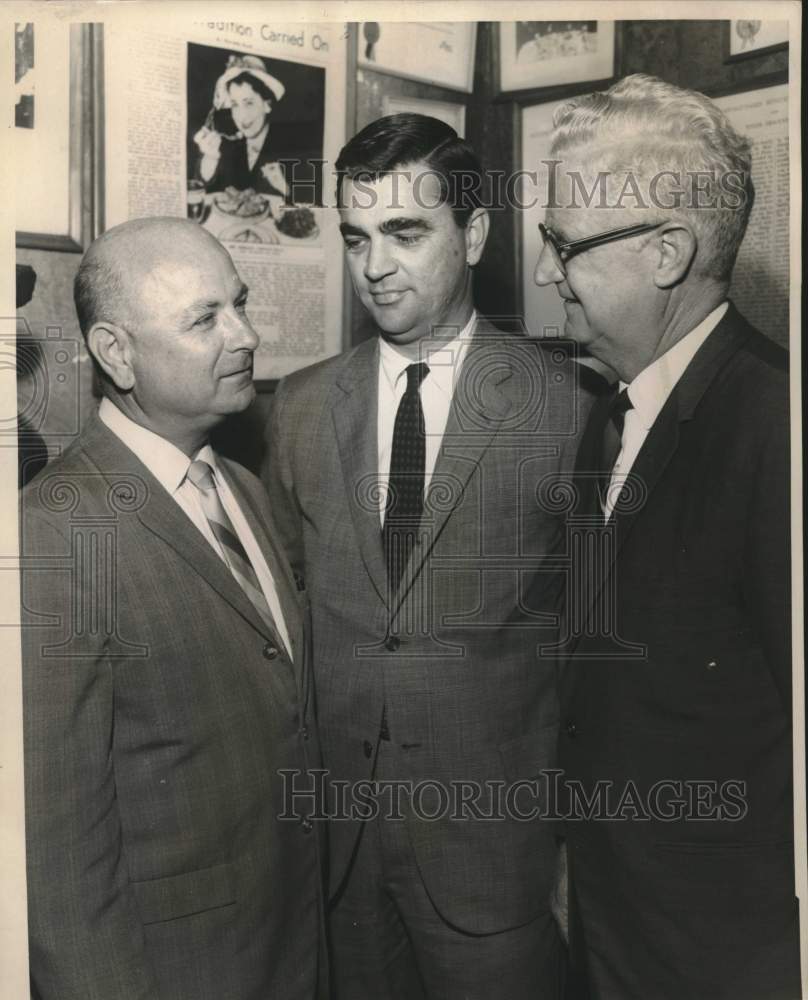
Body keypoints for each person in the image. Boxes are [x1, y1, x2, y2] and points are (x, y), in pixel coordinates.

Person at [263, 113, 585, 999]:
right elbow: (284, 613)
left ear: (473, 235)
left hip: (496, 860)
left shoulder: (566, 410)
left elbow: (596, 654)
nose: (375, 267)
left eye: (406, 234)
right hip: (340, 853)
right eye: (357, 237)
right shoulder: (298, 408)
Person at [533, 74, 800, 998]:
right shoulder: (608, 414)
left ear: (667, 253)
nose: (542, 273)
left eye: (561, 244)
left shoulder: (779, 432)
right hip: (611, 923)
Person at [20, 218, 326, 1000]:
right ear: (115, 354)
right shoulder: (53, 531)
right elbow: (55, 851)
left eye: (241, 304)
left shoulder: (243, 489)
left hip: (290, 945)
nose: (247, 336)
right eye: (204, 320)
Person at [193, 54, 291, 199]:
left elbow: (311, 207)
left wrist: (287, 190)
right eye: (235, 105)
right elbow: (201, 191)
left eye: (249, 103)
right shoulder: (226, 145)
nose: (241, 116)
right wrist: (210, 158)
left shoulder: (291, 148)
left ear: (267, 105)